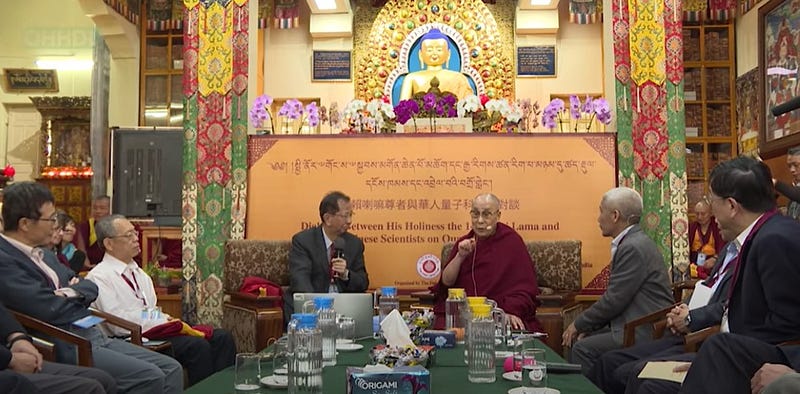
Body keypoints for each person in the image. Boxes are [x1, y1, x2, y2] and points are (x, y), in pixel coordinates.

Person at [623, 156, 800, 393]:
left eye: (711, 200)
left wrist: (718, 362)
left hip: (757, 363)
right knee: (639, 376)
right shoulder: (759, 235)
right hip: (733, 354)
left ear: (731, 206)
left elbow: (788, 328)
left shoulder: (774, 240)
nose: (710, 209)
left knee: (648, 385)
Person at [0, 182, 183, 394]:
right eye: (50, 219)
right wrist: (73, 294)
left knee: (171, 367)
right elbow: (48, 308)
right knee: (149, 375)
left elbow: (88, 286)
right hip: (67, 340)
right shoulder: (5, 259)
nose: (55, 226)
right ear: (24, 223)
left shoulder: (45, 254)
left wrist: (69, 294)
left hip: (92, 331)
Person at [87, 214, 236, 386]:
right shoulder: (99, 277)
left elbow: (151, 310)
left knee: (223, 338)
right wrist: (158, 321)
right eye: (129, 236)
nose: (136, 239)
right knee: (197, 346)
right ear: (109, 243)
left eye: (135, 233)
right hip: (130, 339)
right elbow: (117, 323)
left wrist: (164, 321)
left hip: (156, 331)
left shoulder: (140, 274)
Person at [588, 241, 737, 393]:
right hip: (681, 333)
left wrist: (690, 318)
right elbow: (707, 286)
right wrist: (679, 310)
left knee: (631, 373)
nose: (714, 218)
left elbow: (728, 306)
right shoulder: (728, 249)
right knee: (607, 362)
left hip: (700, 339)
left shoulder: (748, 253)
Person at [562, 187, 673, 375]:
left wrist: (578, 324)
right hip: (631, 322)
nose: (598, 219)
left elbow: (614, 300)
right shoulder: (634, 241)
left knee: (581, 348)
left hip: (642, 329)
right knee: (584, 338)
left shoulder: (633, 247)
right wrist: (589, 326)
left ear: (615, 215)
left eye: (600, 211)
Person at [430, 193, 541, 331]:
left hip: (499, 313)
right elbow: (446, 282)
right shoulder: (464, 243)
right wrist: (460, 256)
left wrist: (512, 310)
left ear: (498, 216)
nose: (480, 220)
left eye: (487, 214)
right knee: (442, 331)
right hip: (465, 315)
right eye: (475, 214)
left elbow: (524, 288)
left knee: (512, 326)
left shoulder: (511, 242)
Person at [0, 301, 116, 394]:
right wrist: (10, 359)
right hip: (7, 363)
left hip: (8, 353)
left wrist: (17, 337)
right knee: (89, 388)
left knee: (102, 379)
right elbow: (43, 306)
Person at [285, 191, 370, 317]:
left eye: (351, 215)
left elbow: (363, 283)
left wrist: (346, 274)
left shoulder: (354, 244)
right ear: (328, 219)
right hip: (313, 308)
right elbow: (301, 282)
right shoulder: (303, 241)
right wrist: (319, 310)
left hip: (344, 310)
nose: (349, 221)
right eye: (345, 216)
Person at [399, 28, 475, 101]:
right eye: (429, 50)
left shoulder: (459, 78)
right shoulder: (411, 78)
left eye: (439, 49)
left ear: (448, 54)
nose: (434, 53)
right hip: (422, 114)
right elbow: (403, 109)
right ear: (420, 54)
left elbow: (469, 108)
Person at [687, 199, 724, 278]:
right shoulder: (691, 227)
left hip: (713, 267)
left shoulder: (717, 226)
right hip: (694, 268)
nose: (700, 217)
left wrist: (715, 259)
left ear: (710, 213)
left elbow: (724, 246)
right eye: (697, 214)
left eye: (703, 214)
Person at [75, 195, 111, 269]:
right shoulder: (86, 226)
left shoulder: (116, 226)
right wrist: (88, 266)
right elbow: (82, 249)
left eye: (102, 208)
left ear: (111, 209)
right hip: (91, 266)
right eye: (95, 208)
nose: (98, 211)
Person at [774, 146, 800, 220]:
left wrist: (775, 183)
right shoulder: (793, 188)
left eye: (796, 165)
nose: (792, 170)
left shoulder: (793, 192)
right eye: (789, 166)